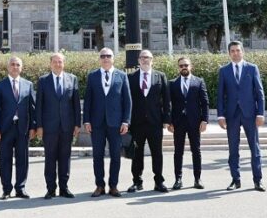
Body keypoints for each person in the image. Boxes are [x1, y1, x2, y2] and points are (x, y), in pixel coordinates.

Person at [217, 41, 266, 192]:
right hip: (232, 115)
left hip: (250, 114)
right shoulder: (224, 71)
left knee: (255, 148)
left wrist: (260, 113)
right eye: (232, 51)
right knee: (233, 149)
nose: (235, 53)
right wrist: (220, 115)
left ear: (242, 52)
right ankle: (235, 179)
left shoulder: (252, 68)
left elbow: (259, 92)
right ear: (229, 53)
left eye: (238, 50)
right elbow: (220, 95)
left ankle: (257, 180)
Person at [83, 47, 131, 198]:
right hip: (97, 123)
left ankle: (113, 186)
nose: (105, 58)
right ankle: (99, 185)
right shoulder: (92, 76)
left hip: (116, 124)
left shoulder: (122, 76)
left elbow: (127, 101)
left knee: (115, 155)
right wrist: (86, 120)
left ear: (113, 58)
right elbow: (88, 100)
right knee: (97, 155)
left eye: (108, 56)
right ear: (99, 59)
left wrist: (126, 121)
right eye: (103, 56)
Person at [35, 52, 81, 199]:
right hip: (49, 127)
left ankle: (64, 188)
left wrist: (77, 124)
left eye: (60, 62)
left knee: (65, 157)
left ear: (64, 63)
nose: (58, 64)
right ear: (50, 64)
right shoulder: (43, 80)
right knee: (50, 158)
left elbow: (75, 104)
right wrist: (39, 126)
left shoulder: (72, 79)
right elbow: (39, 105)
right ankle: (50, 189)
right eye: (55, 62)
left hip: (67, 126)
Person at [0, 56, 36, 199]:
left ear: (21, 68)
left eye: (18, 64)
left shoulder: (28, 84)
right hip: (5, 128)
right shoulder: (0, 85)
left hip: (23, 128)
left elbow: (32, 108)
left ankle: (20, 188)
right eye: (12, 64)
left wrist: (33, 127)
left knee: (22, 159)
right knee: (5, 159)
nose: (15, 67)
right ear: (8, 67)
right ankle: (6, 189)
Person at [127, 50, 171, 193]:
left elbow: (166, 100)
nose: (145, 60)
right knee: (137, 154)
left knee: (157, 153)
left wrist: (166, 119)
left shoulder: (160, 76)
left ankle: (159, 181)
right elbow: (127, 101)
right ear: (138, 60)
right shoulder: (131, 77)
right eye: (142, 57)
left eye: (147, 57)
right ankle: (137, 182)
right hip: (136, 122)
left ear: (152, 59)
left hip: (155, 122)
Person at [168, 56, 209, 190]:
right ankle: (178, 179)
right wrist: (169, 122)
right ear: (178, 67)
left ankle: (197, 179)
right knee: (178, 152)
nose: (183, 67)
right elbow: (168, 104)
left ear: (191, 66)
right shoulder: (172, 83)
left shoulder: (199, 81)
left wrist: (204, 120)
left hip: (195, 122)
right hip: (178, 123)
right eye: (181, 65)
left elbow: (204, 102)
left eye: (186, 65)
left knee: (196, 151)